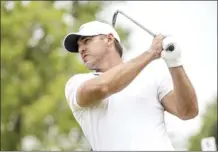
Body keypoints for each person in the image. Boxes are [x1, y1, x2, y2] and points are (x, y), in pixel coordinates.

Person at [63, 20, 198, 151]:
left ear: (109, 39)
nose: (81, 49)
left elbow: (188, 111)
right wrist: (151, 53)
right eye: (78, 46)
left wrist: (174, 62)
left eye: (87, 41)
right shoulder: (76, 83)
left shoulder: (150, 75)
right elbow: (102, 87)